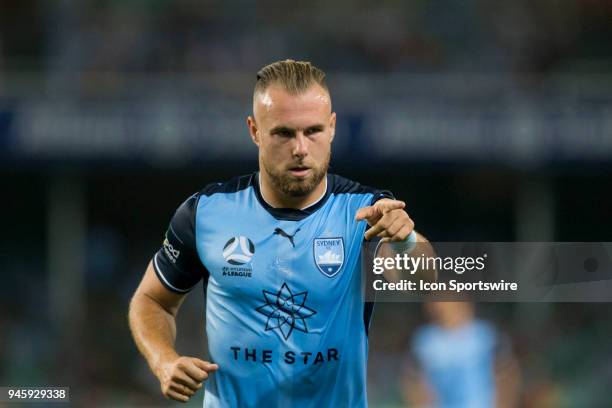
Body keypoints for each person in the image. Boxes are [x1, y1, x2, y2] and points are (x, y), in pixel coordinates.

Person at [128, 59, 433, 407]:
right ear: (254, 131)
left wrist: (407, 240)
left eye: (313, 131)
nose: (300, 148)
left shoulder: (366, 210)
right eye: (284, 133)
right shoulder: (206, 213)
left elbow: (422, 281)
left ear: (332, 128)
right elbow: (151, 301)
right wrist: (163, 360)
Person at [401, 301, 521, 408]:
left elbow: (507, 373)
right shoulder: (425, 340)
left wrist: (504, 404)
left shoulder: (485, 335)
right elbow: (412, 379)